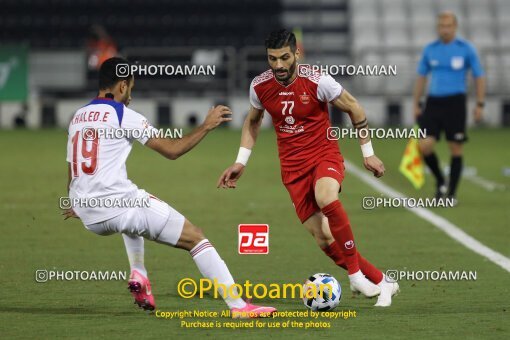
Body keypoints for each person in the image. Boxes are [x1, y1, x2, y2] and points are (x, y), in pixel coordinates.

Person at [62, 57, 276, 318]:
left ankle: (139, 274)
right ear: (121, 86)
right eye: (130, 87)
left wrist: (76, 200)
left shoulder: (78, 116)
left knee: (133, 210)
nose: (130, 94)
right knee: (195, 237)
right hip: (117, 206)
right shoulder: (123, 115)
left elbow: (73, 165)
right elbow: (172, 151)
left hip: (87, 212)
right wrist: (205, 126)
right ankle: (238, 306)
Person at [217, 29, 399, 307]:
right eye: (272, 59)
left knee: (327, 197)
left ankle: (355, 276)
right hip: (292, 169)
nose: (278, 65)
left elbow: (354, 107)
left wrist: (368, 152)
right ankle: (382, 280)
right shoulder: (260, 86)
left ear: (296, 54)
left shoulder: (318, 80)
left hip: (323, 154)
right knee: (323, 237)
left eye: (284, 58)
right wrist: (241, 161)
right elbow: (253, 122)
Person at [413, 11, 485, 204]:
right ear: (438, 28)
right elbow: (421, 77)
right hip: (433, 103)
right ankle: (441, 180)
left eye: (448, 26)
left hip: (456, 103)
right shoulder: (430, 49)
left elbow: (479, 76)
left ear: (455, 27)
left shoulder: (466, 49)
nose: (445, 29)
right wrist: (416, 103)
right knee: (424, 145)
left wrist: (479, 103)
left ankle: (451, 193)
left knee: (455, 147)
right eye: (441, 26)